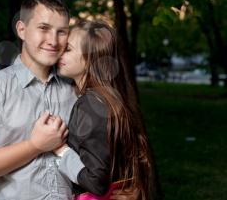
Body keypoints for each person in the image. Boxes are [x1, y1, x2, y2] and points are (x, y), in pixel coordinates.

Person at [0, 0, 138, 200]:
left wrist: (119, 187)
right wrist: (35, 146)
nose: (53, 41)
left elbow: (102, 151)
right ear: (22, 29)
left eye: (62, 32)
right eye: (44, 28)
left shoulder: (79, 90)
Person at [53, 20, 158, 200]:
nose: (59, 52)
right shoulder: (108, 97)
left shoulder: (90, 105)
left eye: (68, 49)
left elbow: (96, 182)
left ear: (91, 58)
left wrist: (60, 149)